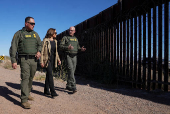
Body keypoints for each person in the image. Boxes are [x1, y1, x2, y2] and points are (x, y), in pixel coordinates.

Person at [10, 16, 42, 109]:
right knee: (25, 78)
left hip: (34, 60)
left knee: (31, 78)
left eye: (34, 24)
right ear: (26, 23)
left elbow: (40, 44)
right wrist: (13, 61)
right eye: (32, 23)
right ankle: (24, 100)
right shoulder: (19, 34)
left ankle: (27, 93)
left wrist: (39, 51)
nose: (33, 25)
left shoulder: (35, 34)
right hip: (24, 59)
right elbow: (13, 48)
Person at [59, 26, 86, 93]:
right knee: (70, 70)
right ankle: (73, 86)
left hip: (75, 56)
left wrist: (81, 49)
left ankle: (68, 85)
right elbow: (60, 46)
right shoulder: (65, 38)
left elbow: (78, 47)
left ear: (74, 31)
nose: (70, 31)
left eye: (72, 30)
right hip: (68, 55)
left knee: (72, 71)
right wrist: (67, 47)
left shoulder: (76, 39)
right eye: (69, 30)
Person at [40, 28, 61, 98]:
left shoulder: (55, 41)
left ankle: (46, 91)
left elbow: (56, 52)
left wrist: (58, 60)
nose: (56, 34)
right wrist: (41, 61)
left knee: (48, 75)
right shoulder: (45, 41)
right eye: (55, 32)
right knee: (50, 75)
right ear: (51, 33)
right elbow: (42, 52)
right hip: (47, 60)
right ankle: (53, 91)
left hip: (53, 60)